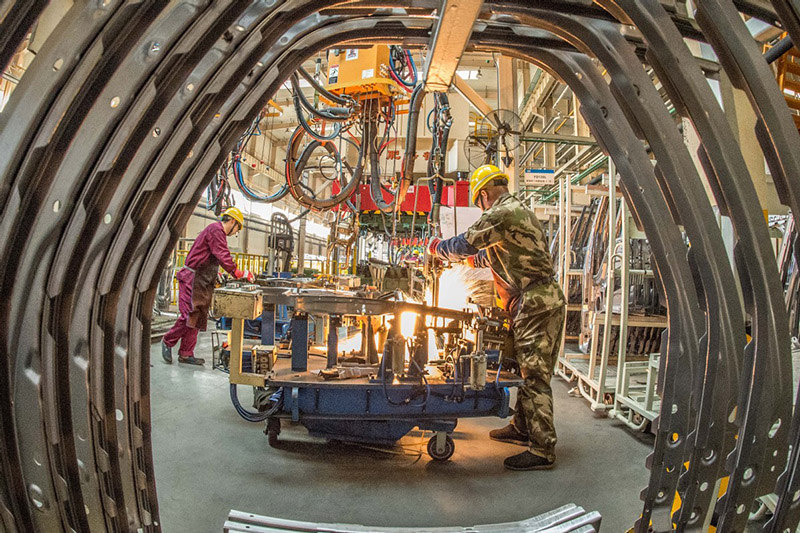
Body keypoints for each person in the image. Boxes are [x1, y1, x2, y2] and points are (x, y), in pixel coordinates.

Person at [427, 164, 566, 470]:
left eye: (479, 202)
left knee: (535, 376)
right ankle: (521, 428)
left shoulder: (503, 212)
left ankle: (542, 449)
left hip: (536, 303)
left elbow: (466, 243)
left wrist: (438, 249)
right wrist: (461, 261)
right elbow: (487, 254)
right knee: (522, 366)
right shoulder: (515, 213)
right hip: (532, 301)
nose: (481, 207)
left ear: (485, 194)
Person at [162, 207, 254, 366]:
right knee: (188, 316)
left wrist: (217, 274)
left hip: (201, 280)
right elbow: (222, 255)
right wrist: (239, 273)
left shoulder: (216, 232)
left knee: (196, 318)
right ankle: (167, 341)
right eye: (237, 228)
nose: (235, 232)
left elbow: (210, 256)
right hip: (192, 278)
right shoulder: (216, 230)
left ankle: (186, 353)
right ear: (232, 221)